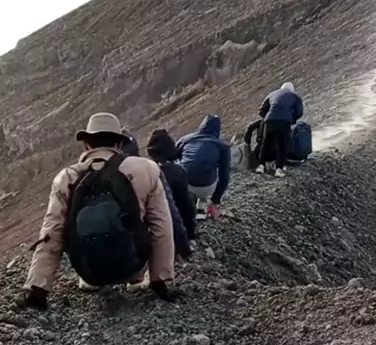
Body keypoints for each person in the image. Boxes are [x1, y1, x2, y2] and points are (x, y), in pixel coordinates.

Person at [18, 113, 177, 309]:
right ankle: (140, 279)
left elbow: (52, 232)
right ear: (119, 143)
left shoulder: (67, 177)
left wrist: (38, 288)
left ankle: (84, 283)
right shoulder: (147, 169)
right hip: (131, 266)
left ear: (86, 144)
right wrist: (160, 281)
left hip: (88, 271)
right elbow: (162, 226)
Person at [147, 129, 197, 244]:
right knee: (191, 197)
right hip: (173, 226)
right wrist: (190, 234)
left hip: (151, 225)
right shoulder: (177, 171)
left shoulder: (145, 169)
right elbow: (186, 205)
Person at [176, 115, 231, 218]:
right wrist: (215, 201)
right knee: (214, 169)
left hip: (183, 184)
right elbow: (224, 177)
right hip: (205, 188)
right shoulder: (222, 146)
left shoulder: (185, 139)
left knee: (180, 163)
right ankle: (201, 204)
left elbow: (171, 156)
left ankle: (182, 203)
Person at [256, 82, 303, 177]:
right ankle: (278, 169)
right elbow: (299, 112)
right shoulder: (295, 96)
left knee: (265, 143)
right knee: (282, 145)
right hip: (284, 122)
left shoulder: (272, 94)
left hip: (270, 120)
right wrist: (292, 119)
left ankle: (261, 166)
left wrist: (267, 118)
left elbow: (261, 110)